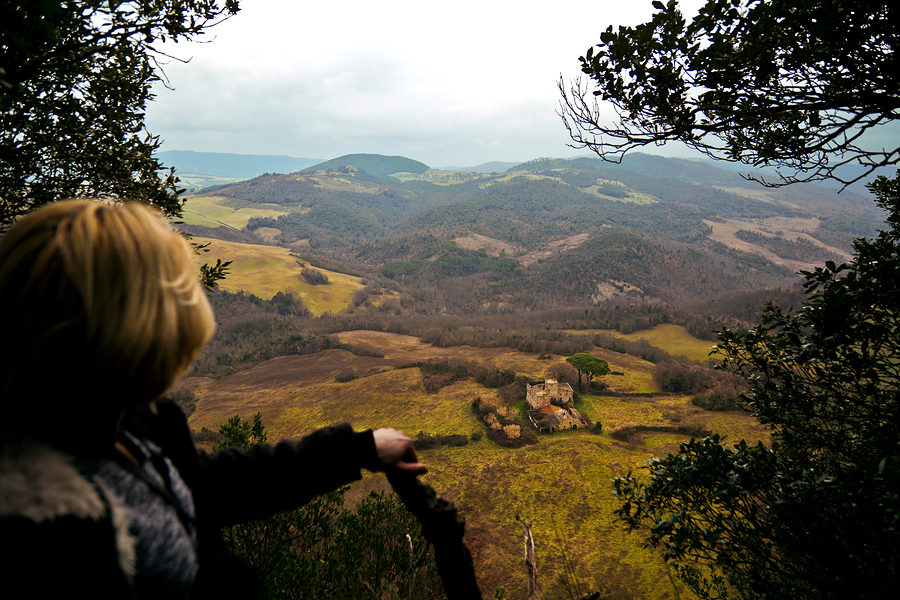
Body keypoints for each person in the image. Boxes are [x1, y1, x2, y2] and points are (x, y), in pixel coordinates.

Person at [0, 199, 427, 599]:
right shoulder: (39, 527)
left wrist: (358, 449)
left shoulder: (131, 421)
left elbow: (208, 486)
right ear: (130, 330)